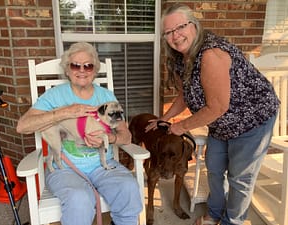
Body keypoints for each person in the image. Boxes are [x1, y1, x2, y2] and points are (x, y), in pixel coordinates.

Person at [145, 4, 280, 225]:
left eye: (180, 27)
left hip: (252, 120)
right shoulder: (179, 57)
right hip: (220, 123)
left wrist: (182, 126)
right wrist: (165, 119)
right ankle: (215, 214)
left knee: (240, 178)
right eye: (168, 32)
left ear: (194, 25)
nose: (175, 35)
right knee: (215, 170)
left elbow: (217, 106)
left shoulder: (210, 53)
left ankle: (232, 221)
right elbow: (184, 96)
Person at [16, 42, 142, 225]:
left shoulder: (106, 97)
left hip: (103, 166)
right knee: (79, 198)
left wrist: (109, 138)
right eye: (75, 65)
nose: (82, 70)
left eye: (88, 65)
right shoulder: (54, 96)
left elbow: (126, 136)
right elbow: (23, 126)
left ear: (94, 69)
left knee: (129, 188)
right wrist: (64, 112)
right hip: (65, 170)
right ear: (67, 69)